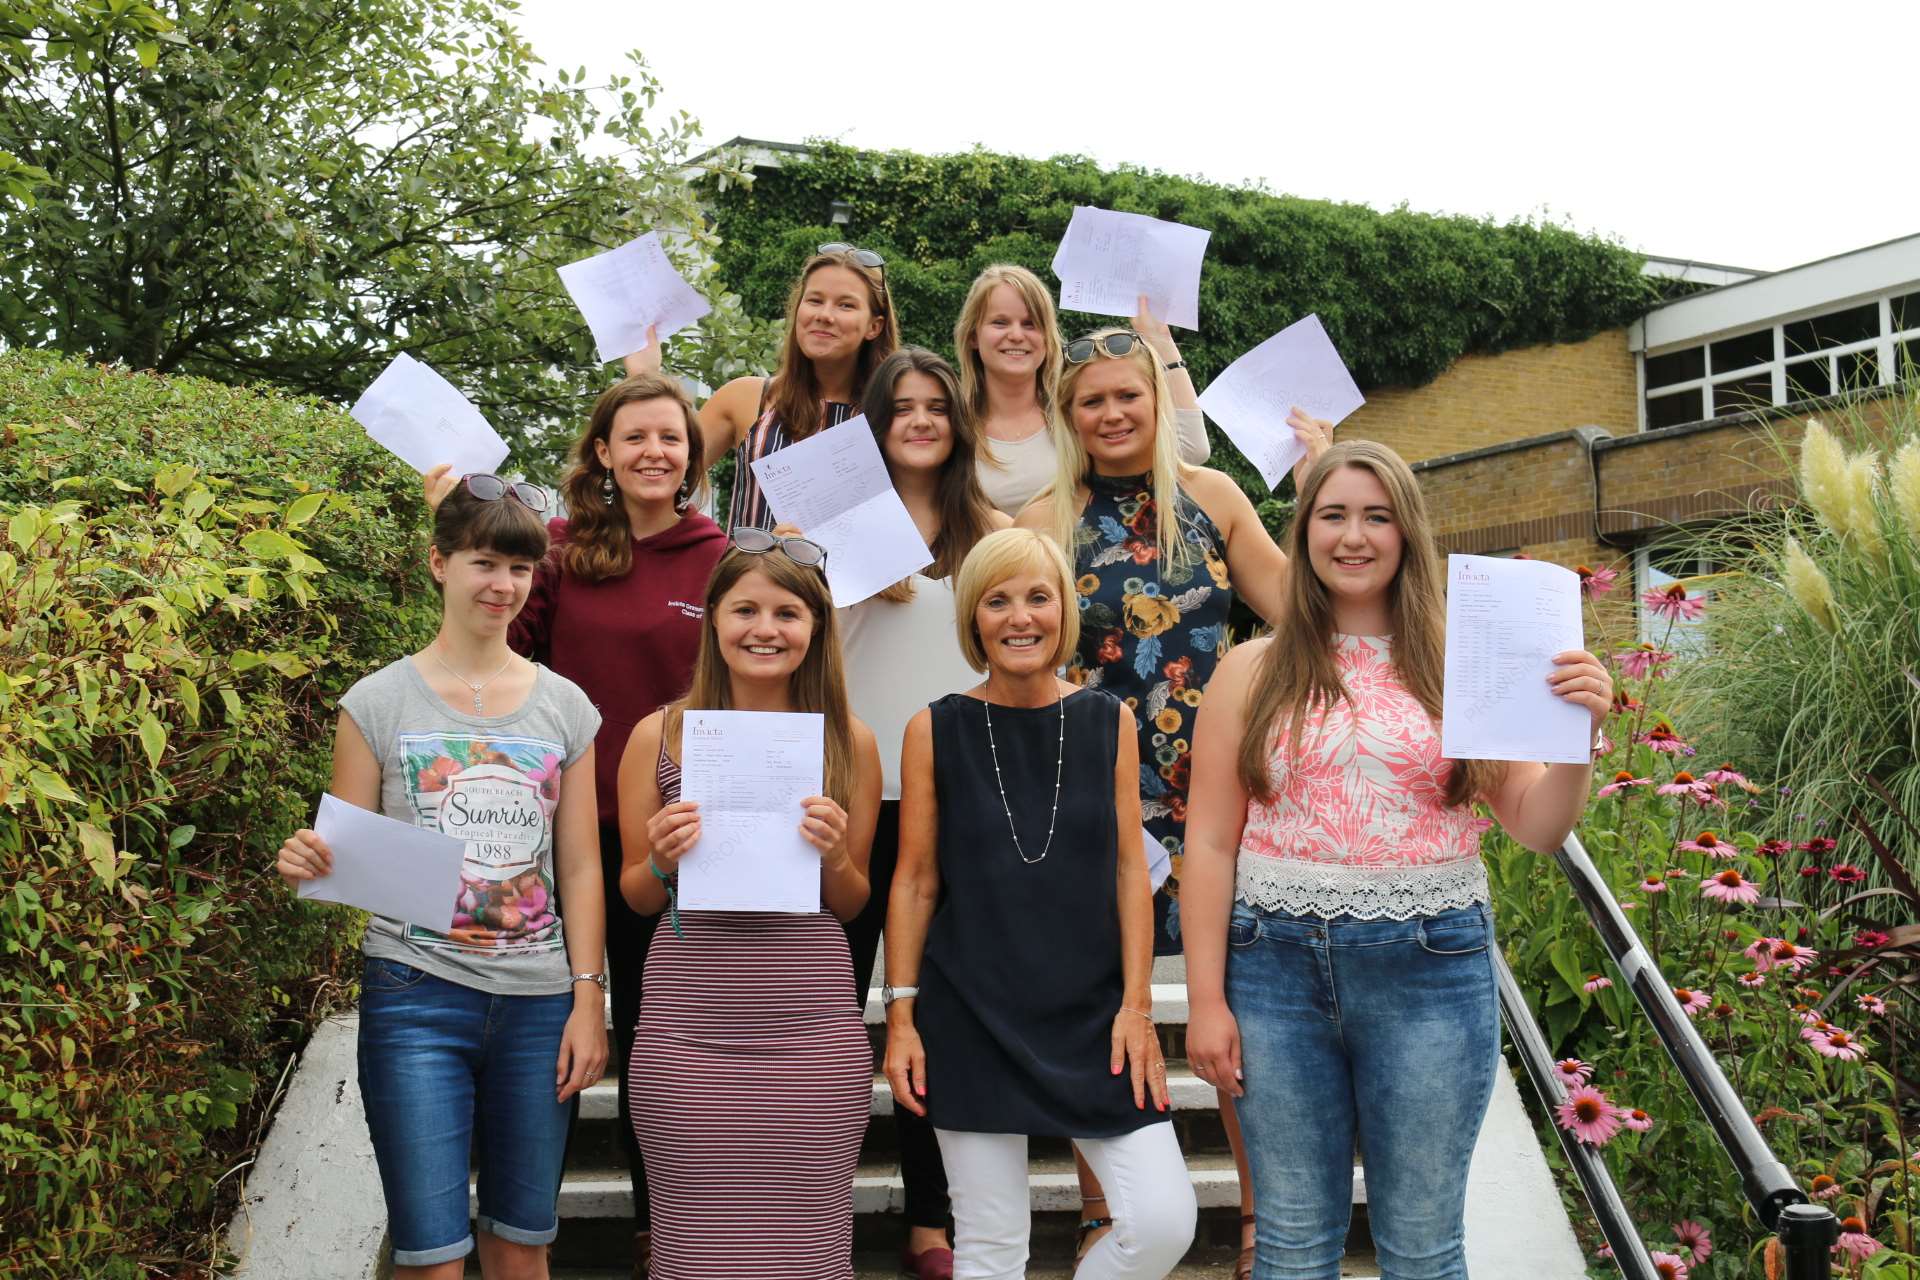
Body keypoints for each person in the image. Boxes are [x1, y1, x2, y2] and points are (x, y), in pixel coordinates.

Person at [1180, 441, 1613, 1280]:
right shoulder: (1250, 670)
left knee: (1420, 1245)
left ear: (1407, 533)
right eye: (1333, 515)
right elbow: (1209, 842)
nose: (1354, 536)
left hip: (1431, 968)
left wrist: (1577, 742)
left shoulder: (1464, 666)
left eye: (1376, 516)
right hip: (1272, 973)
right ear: (1303, 531)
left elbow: (1537, 825)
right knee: (1293, 1241)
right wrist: (1205, 1001)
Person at [1015, 323, 1331, 1272]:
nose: (1111, 414)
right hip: (1095, 795)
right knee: (1099, 1005)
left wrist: (1320, 486)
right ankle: (1101, 1212)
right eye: (1090, 401)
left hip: (1218, 798)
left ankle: (1258, 1219)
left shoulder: (1212, 498)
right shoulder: (1043, 517)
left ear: (1156, 402)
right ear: (1068, 416)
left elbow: (1296, 613)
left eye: (1127, 395)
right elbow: (1016, 648)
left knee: (1233, 1012)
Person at [426, 372, 725, 1277]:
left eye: (670, 438)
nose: (652, 453)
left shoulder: (719, 557)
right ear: (601, 451)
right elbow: (502, 655)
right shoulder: (558, 551)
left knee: (658, 1045)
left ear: (691, 455)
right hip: (562, 839)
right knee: (544, 1039)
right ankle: (520, 1231)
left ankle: (658, 1227)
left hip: (680, 843)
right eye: (633, 437)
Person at [275, 477, 608, 1280]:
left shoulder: (566, 708)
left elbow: (581, 862)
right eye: (485, 562)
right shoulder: (377, 703)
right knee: (429, 1256)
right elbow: (347, 855)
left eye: (521, 569)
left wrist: (587, 1000)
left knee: (523, 1245)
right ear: (438, 562)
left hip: (539, 1004)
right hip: (415, 993)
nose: (503, 585)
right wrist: (306, 864)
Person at [882, 528, 1198, 1280]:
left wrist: (1138, 1005)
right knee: (991, 1250)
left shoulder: (1106, 720)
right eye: (997, 600)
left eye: (1037, 597)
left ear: (1064, 611)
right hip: (971, 1015)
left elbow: (1130, 869)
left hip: (1097, 1017)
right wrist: (901, 1016)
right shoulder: (933, 727)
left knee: (1161, 1223)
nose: (1019, 617)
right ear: (973, 619)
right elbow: (916, 879)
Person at [617, 534, 884, 1279]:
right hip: (687, 1030)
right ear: (711, 619)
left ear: (817, 628)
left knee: (809, 1253)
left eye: (787, 613)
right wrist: (662, 858)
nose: (765, 629)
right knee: (693, 1251)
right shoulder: (657, 736)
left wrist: (833, 854)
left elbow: (854, 902)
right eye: (745, 610)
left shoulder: (851, 742)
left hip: (808, 1030)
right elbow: (634, 895)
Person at [837, 347, 1010, 1278]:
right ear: (874, 420)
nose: (919, 420)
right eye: (900, 406)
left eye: (936, 406)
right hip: (852, 800)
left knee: (938, 1021)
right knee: (831, 1013)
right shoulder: (835, 527)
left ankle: (933, 1223)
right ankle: (808, 1200)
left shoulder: (990, 531)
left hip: (959, 801)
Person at [628, 246, 900, 528]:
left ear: (874, 326)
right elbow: (659, 472)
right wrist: (644, 376)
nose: (825, 315)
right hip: (745, 571)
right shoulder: (745, 398)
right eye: (815, 300)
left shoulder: (895, 416)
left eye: (846, 305)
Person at [953, 269, 1209, 516]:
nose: (1016, 335)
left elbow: (1190, 449)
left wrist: (1159, 338)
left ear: (1047, 337)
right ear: (973, 335)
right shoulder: (951, 425)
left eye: (1031, 324)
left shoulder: (1078, 414)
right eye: (1000, 323)